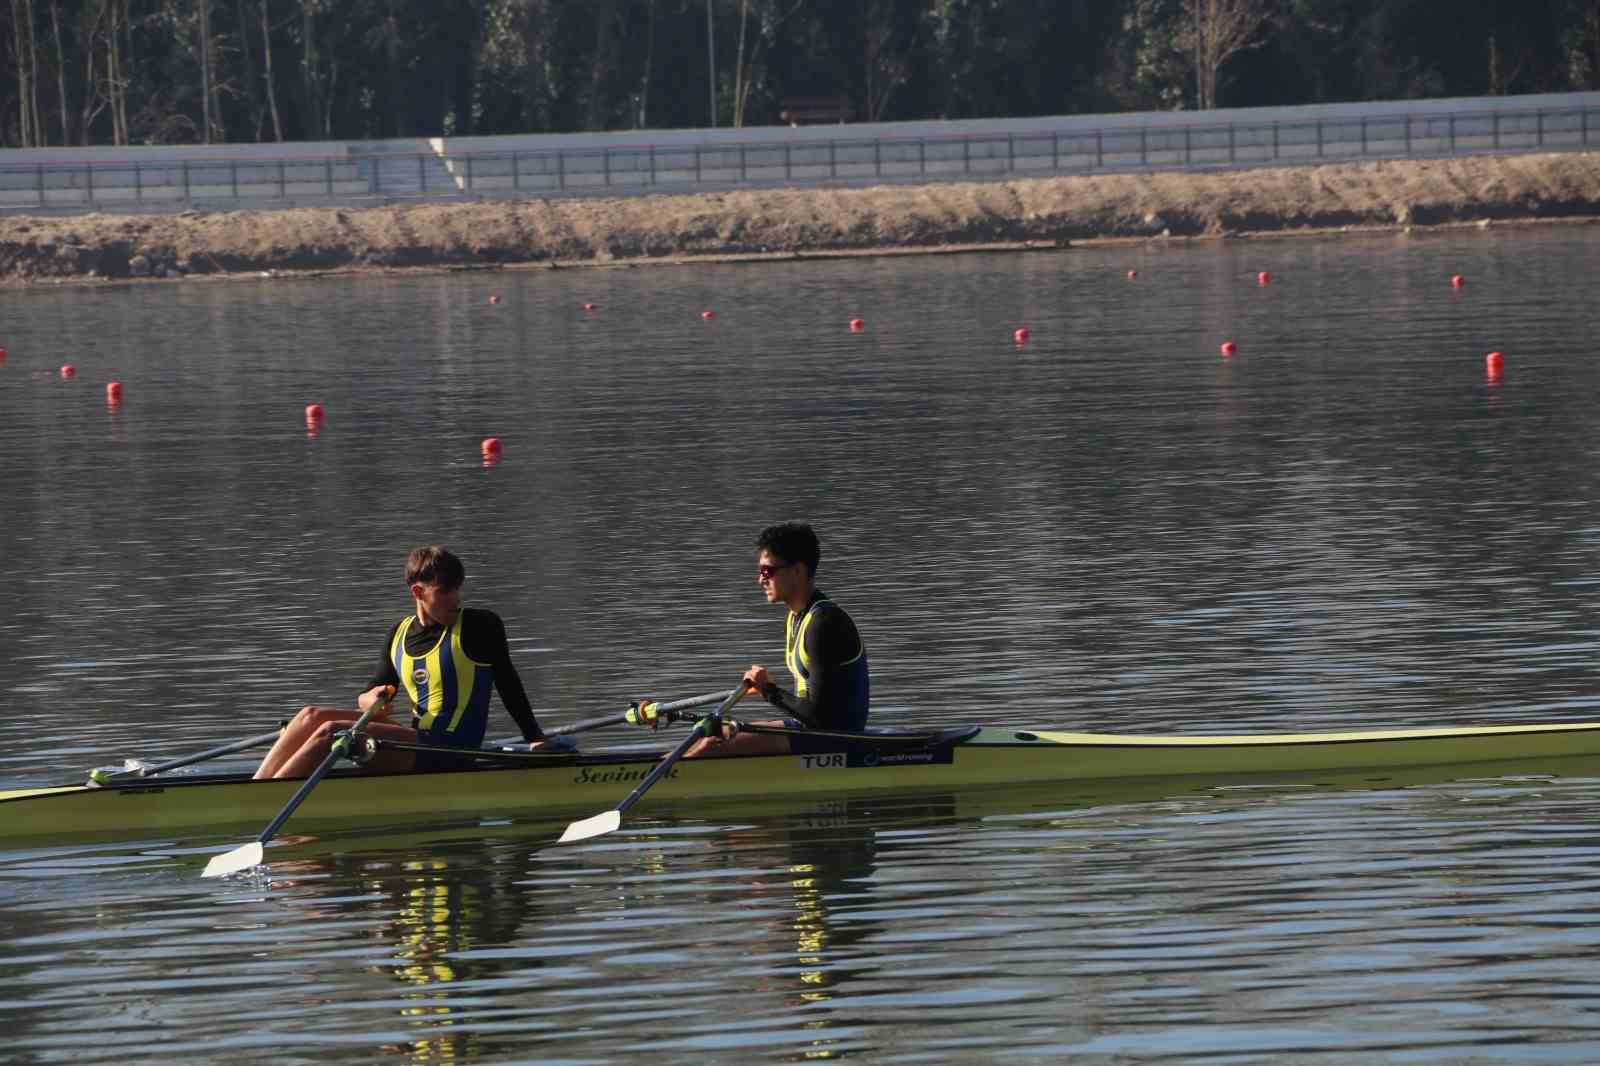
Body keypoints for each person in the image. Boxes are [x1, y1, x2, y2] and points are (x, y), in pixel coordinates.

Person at [254, 545, 552, 779]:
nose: (456, 598)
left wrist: (535, 738)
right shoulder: (398, 633)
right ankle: (258, 788)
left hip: (451, 749)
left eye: (458, 588)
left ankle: (263, 800)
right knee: (310, 715)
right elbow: (371, 691)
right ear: (418, 592)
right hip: (417, 741)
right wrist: (371, 698)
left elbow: (508, 681)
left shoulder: (479, 626)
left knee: (332, 731)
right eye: (445, 591)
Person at [684, 522, 869, 758]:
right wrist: (765, 690)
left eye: (767, 571)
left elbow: (820, 717)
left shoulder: (824, 624)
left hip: (837, 740)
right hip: (813, 732)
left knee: (711, 744)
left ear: (797, 571)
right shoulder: (795, 618)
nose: (761, 579)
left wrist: (769, 691)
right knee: (708, 735)